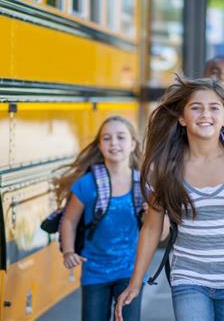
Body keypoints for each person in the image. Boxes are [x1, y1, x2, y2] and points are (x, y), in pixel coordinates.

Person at [115, 75, 224, 321]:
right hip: (189, 279)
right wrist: (135, 282)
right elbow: (151, 227)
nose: (205, 114)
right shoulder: (165, 166)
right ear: (182, 118)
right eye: (196, 107)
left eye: (214, 108)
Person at [57, 116, 144, 321]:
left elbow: (159, 233)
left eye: (120, 137)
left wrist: (152, 212)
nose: (113, 143)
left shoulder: (143, 184)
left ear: (132, 144)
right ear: (100, 145)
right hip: (95, 271)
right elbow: (69, 220)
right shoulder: (88, 184)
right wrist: (68, 251)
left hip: (130, 271)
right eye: (107, 138)